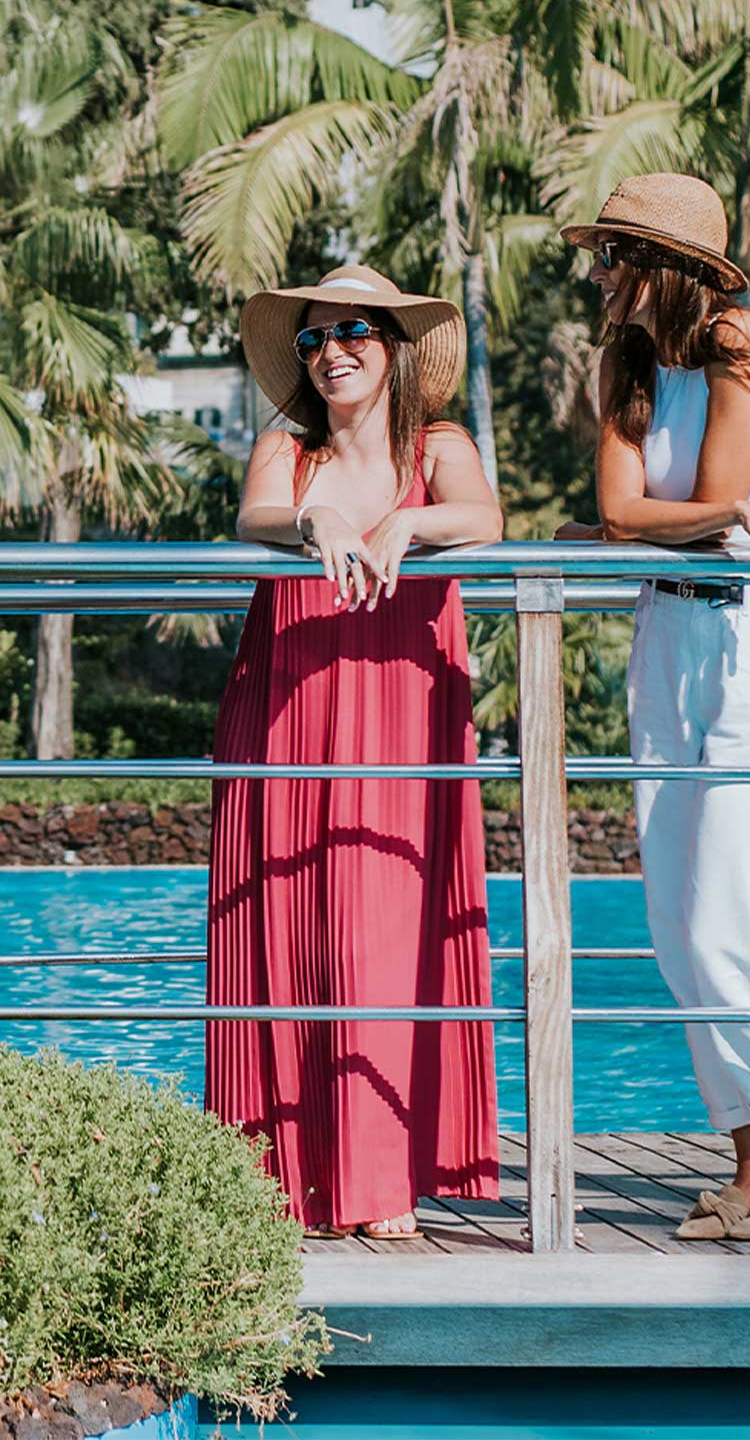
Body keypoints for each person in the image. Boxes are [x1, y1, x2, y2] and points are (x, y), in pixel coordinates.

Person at [558, 173, 750, 1242]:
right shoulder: (628, 363)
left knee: (731, 919)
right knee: (678, 925)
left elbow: (696, 499)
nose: (599, 275)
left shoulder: (737, 342)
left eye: (613, 256)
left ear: (665, 268)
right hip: (667, 638)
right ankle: (748, 1160)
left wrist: (717, 515)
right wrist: (718, 517)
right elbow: (627, 507)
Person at [205, 263, 502, 1240]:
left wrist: (406, 520)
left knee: (383, 930)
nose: (331, 351)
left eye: (354, 332)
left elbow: (485, 519)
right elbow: (252, 517)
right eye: (313, 338)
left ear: (394, 347)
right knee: (284, 926)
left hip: (402, 712)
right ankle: (279, 1182)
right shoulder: (285, 454)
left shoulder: (439, 447)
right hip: (287, 708)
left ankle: (380, 1181)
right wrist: (316, 516)